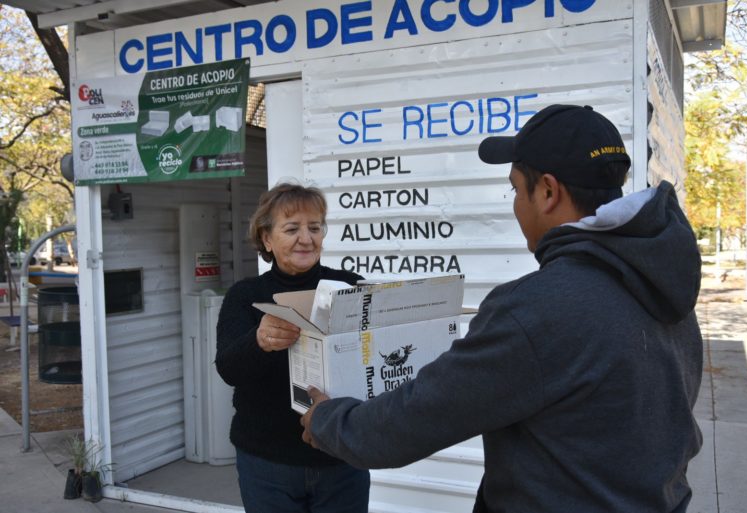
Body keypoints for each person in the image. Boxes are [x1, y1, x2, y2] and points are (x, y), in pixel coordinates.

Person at [300, 105, 703, 512]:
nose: (515, 206)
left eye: (514, 189)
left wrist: (327, 420)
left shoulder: (538, 308)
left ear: (547, 191)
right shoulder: (663, 284)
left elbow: (410, 422)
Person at [215, 182, 370, 513]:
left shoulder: (349, 287)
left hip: (341, 457)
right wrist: (259, 341)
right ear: (267, 238)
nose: (306, 238)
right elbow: (227, 368)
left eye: (314, 227)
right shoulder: (244, 296)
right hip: (267, 463)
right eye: (292, 228)